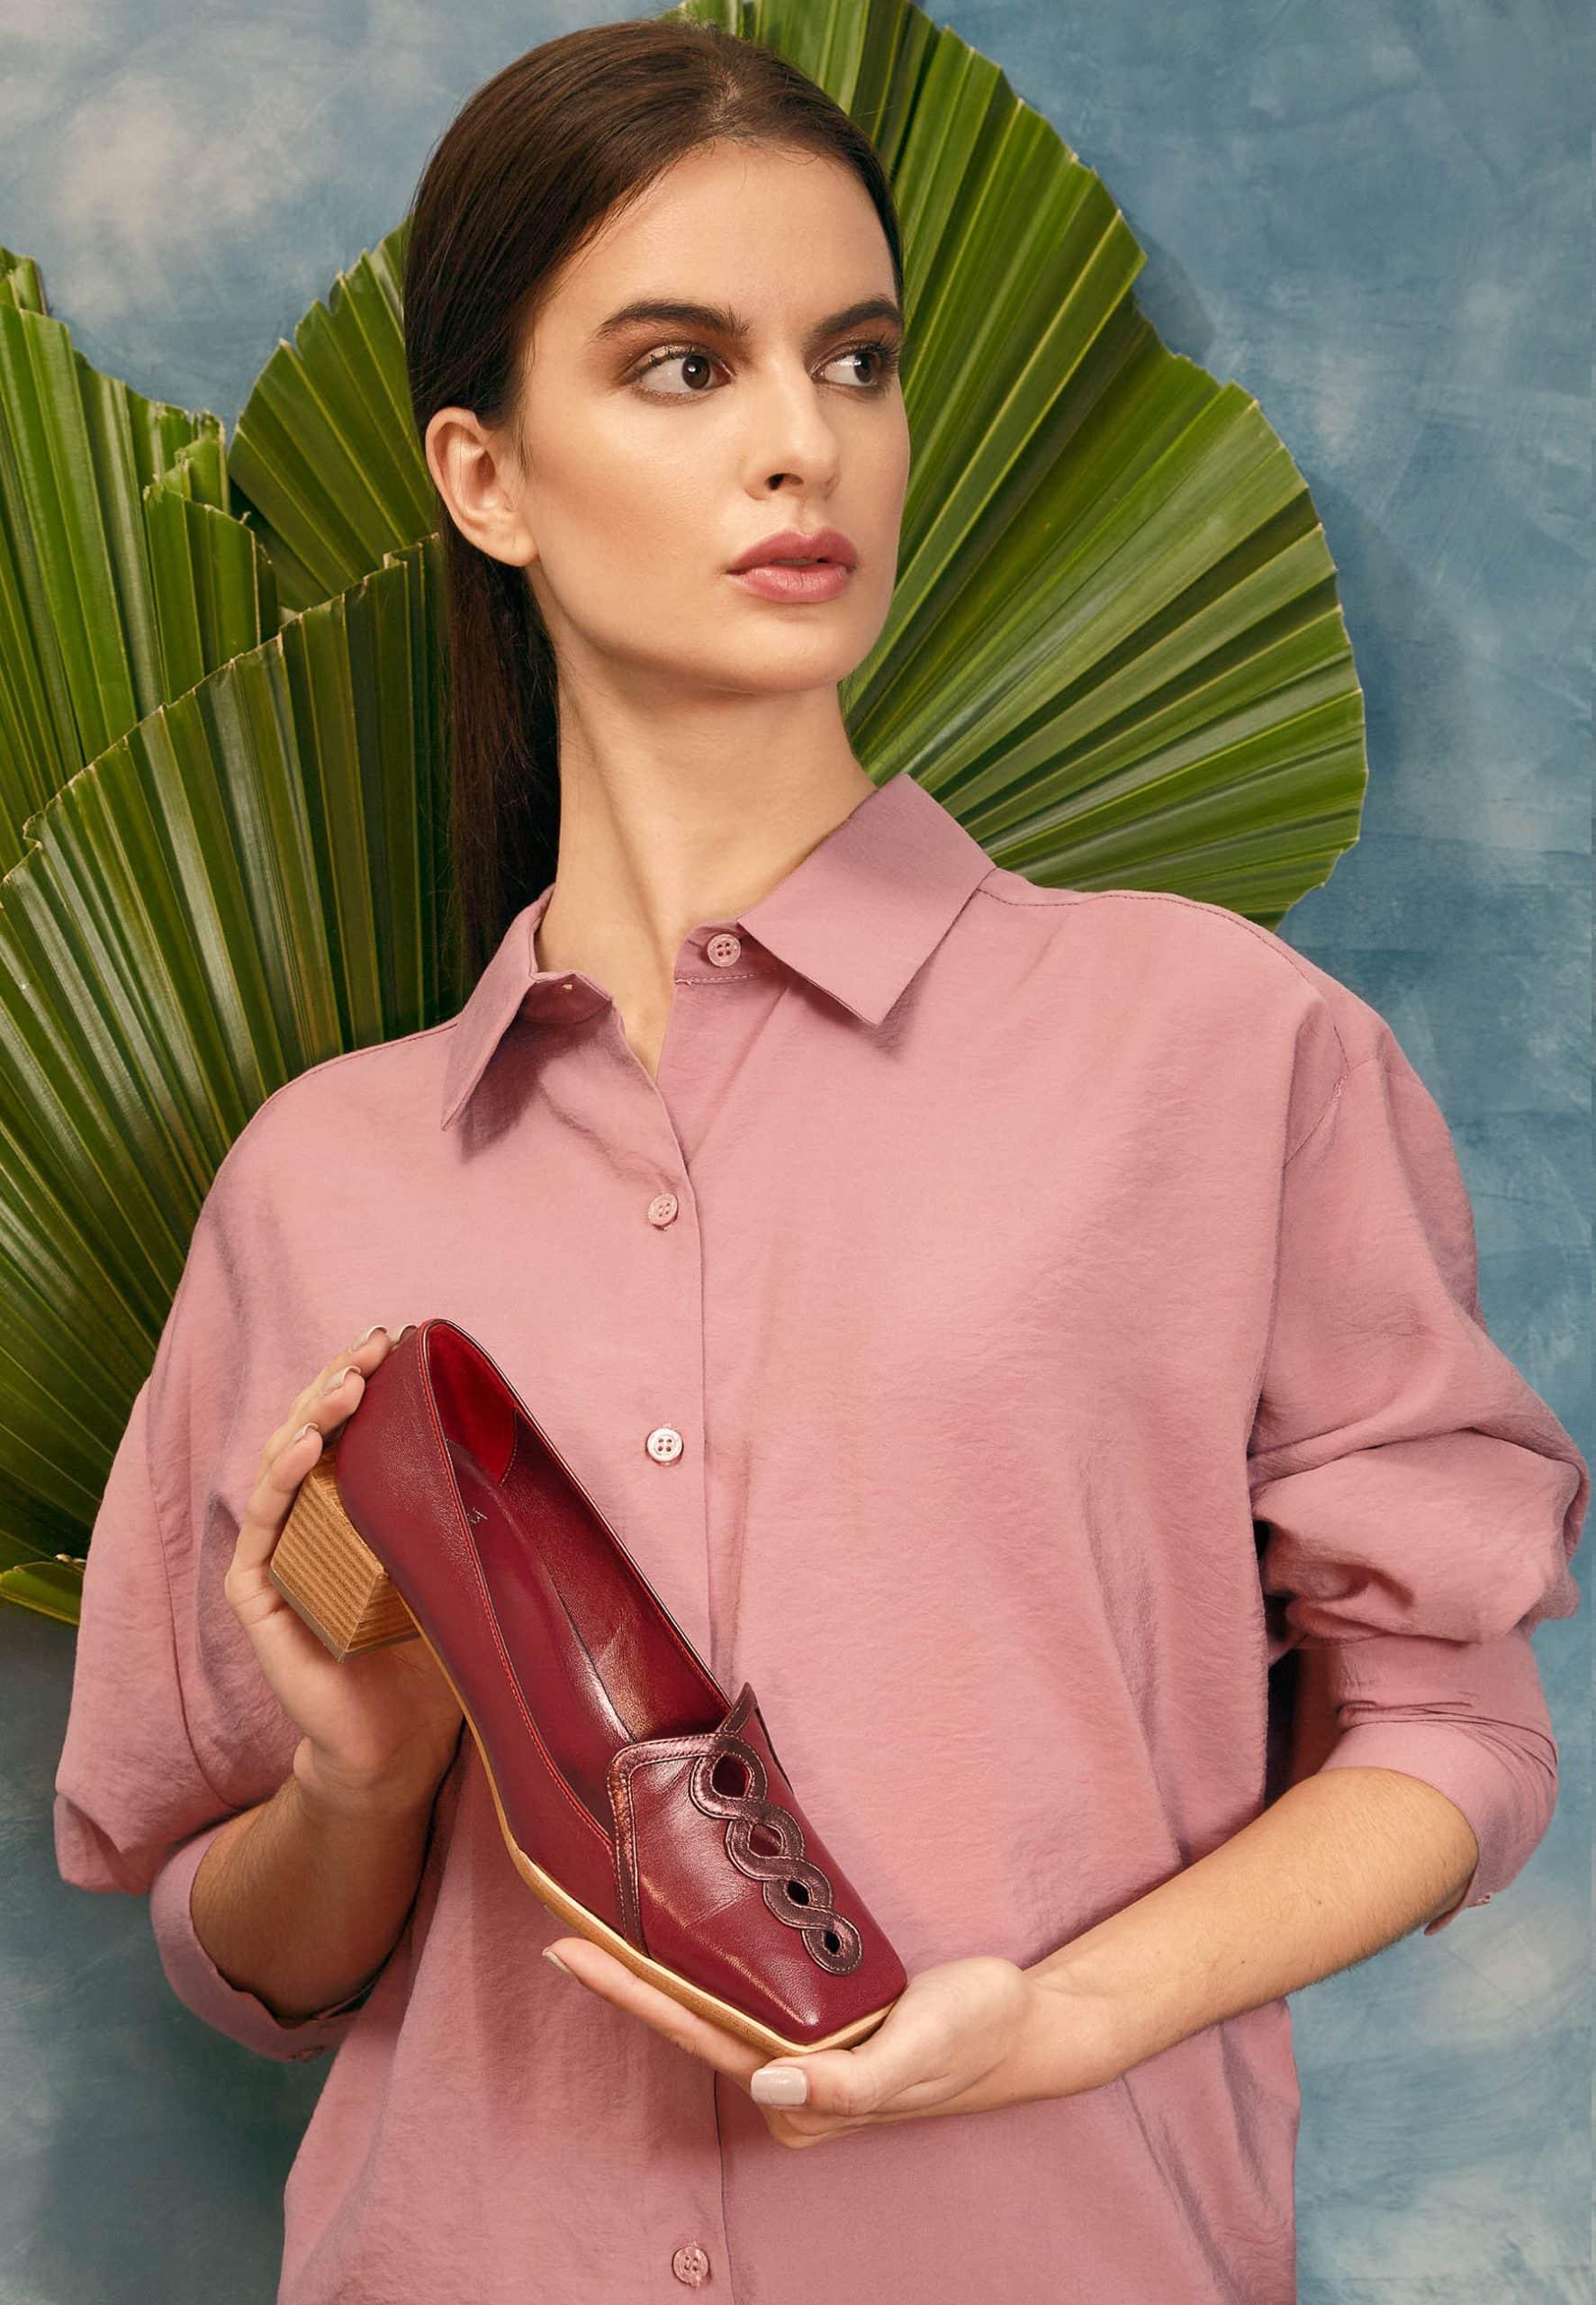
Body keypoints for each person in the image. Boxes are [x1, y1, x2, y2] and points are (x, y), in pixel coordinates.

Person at [52, 19, 1587, 2305]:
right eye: (681, 368)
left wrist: (1062, 2013)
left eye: (851, 359)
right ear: (484, 474)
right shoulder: (315, 1179)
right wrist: (360, 1783)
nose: (801, 442)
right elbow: (234, 1953)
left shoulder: (1214, 1052)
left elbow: (1450, 1732)